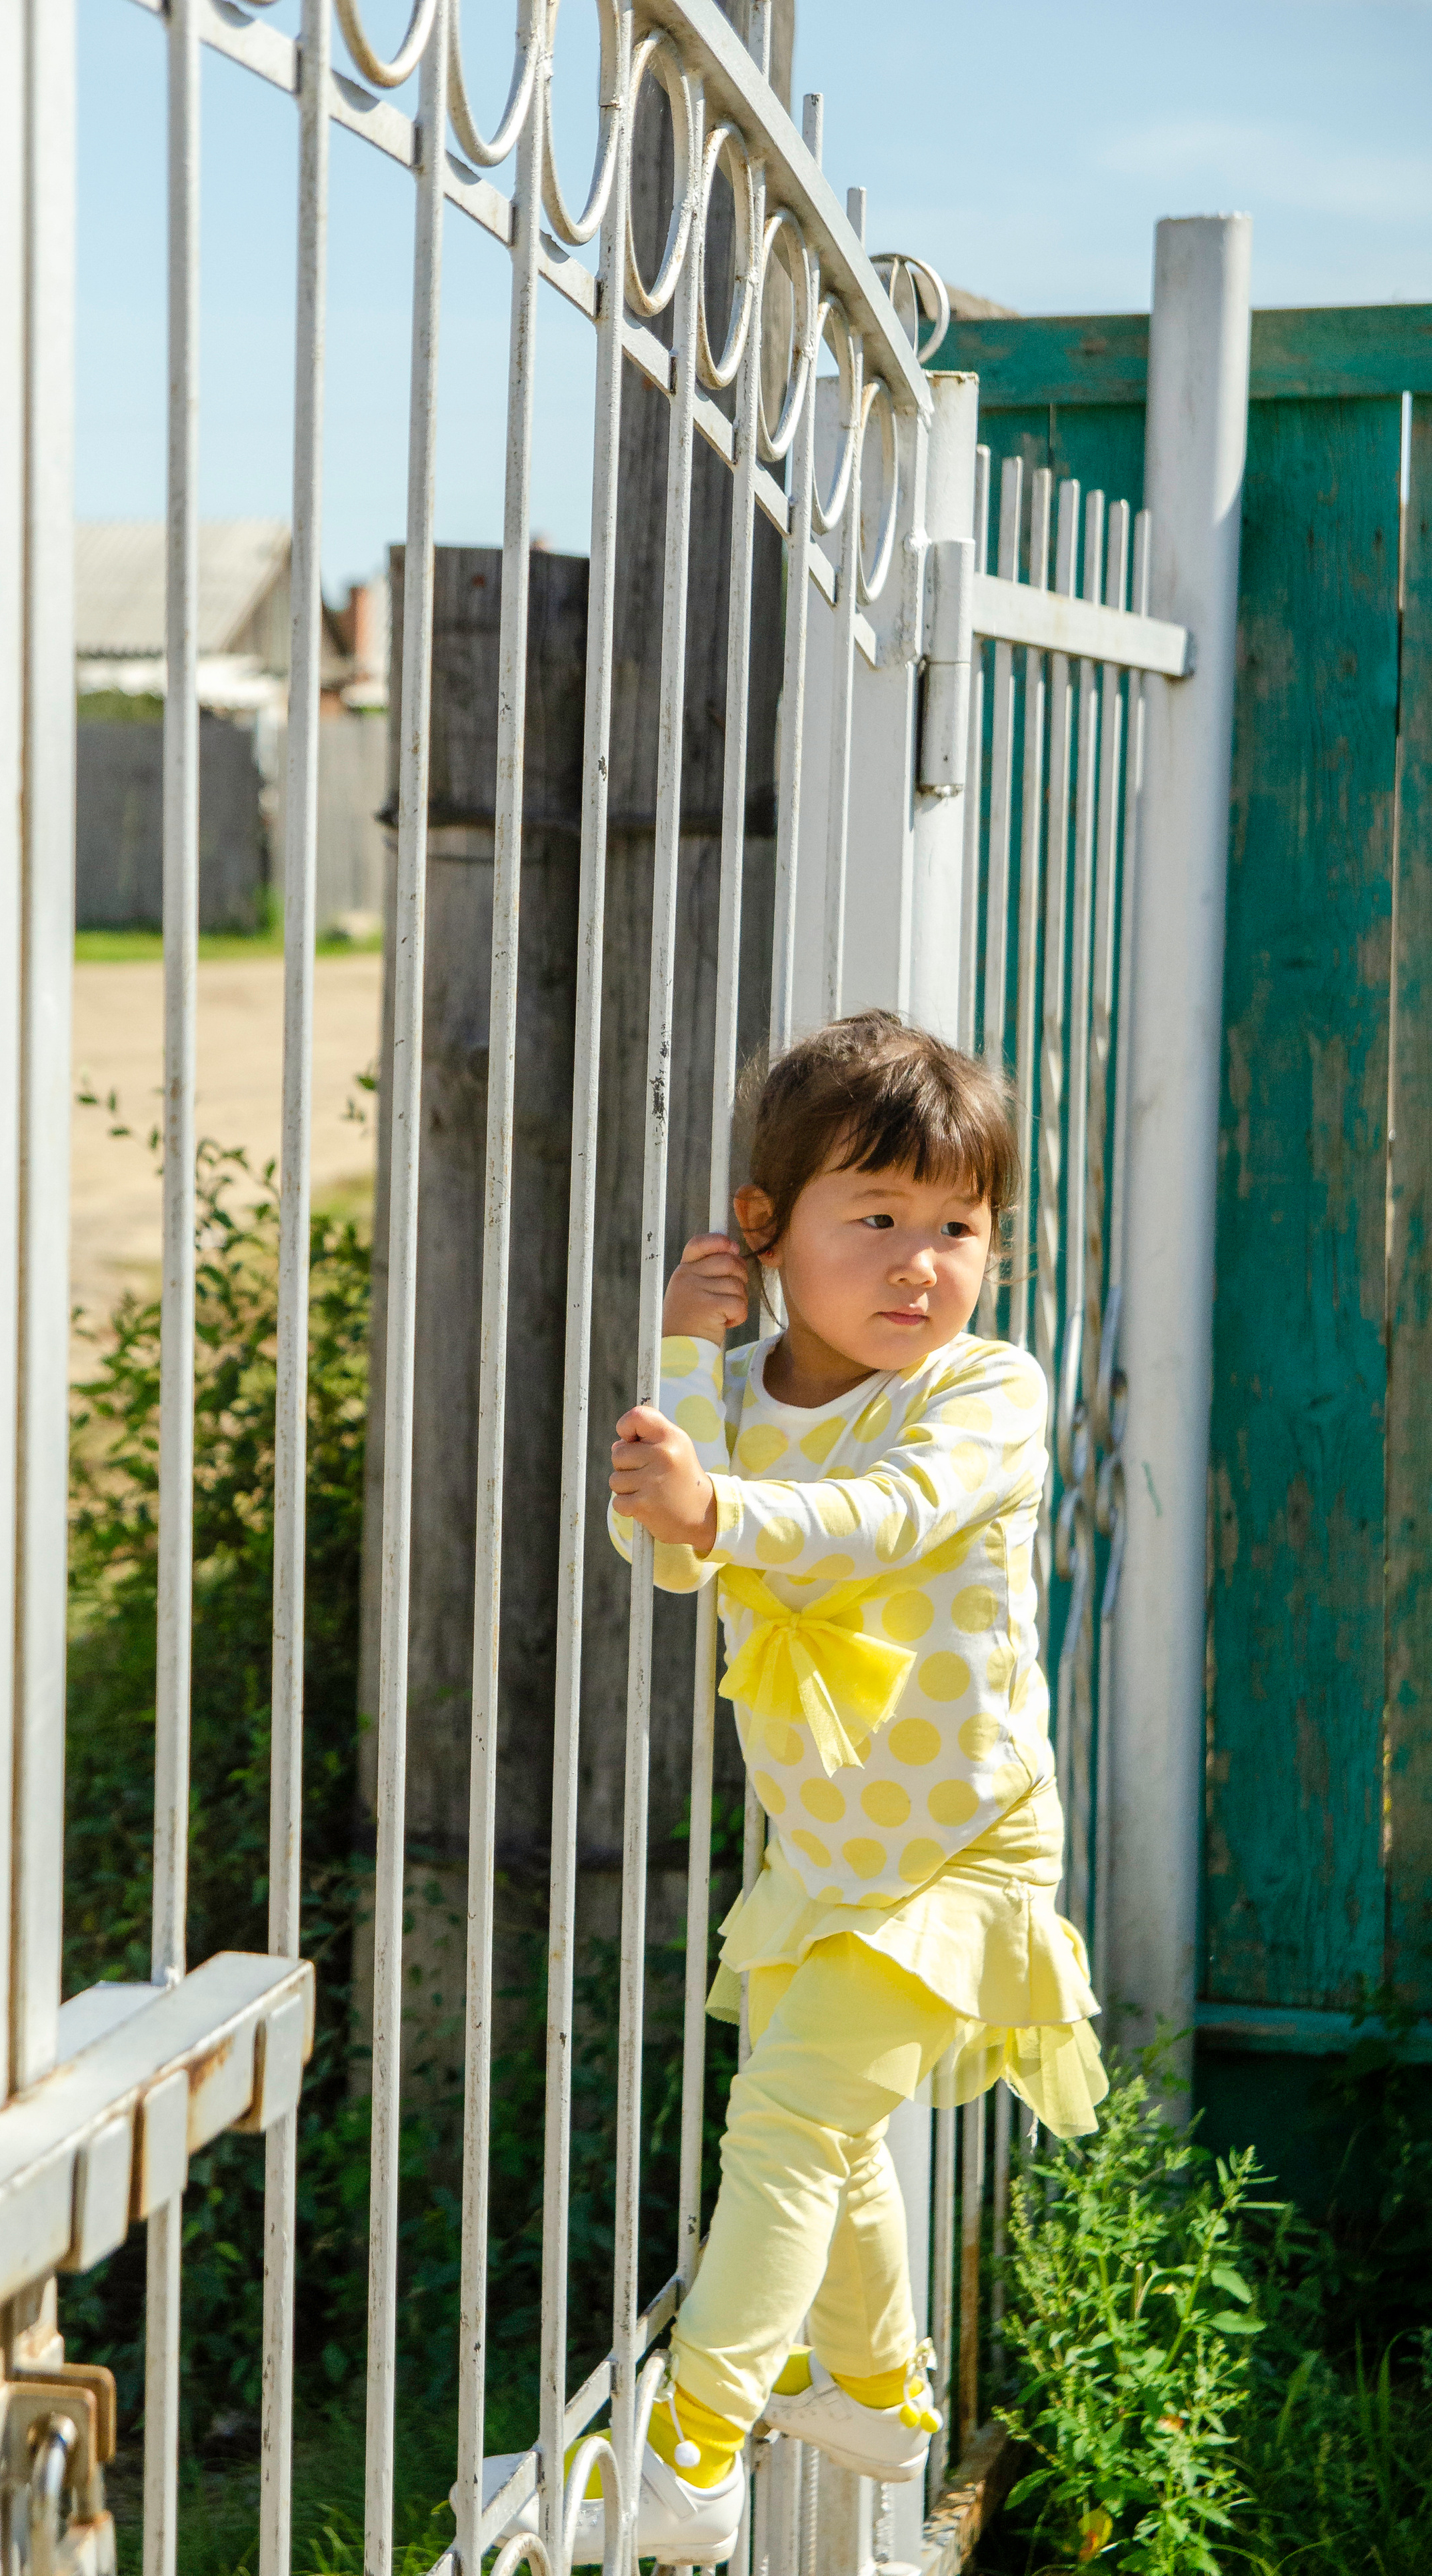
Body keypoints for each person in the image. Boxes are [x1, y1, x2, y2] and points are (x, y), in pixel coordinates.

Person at [486, 1010, 1106, 2564]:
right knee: (820, 2131)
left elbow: (879, 1518)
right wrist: (689, 1363)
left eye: (955, 1226)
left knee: (782, 2124)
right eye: (875, 1218)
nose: (920, 1264)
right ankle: (880, 2393)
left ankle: (685, 2453)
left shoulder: (984, 1394)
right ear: (765, 1228)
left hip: (963, 1847)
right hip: (832, 1843)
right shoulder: (745, 1387)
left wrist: (718, 1500)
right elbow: (663, 1544)